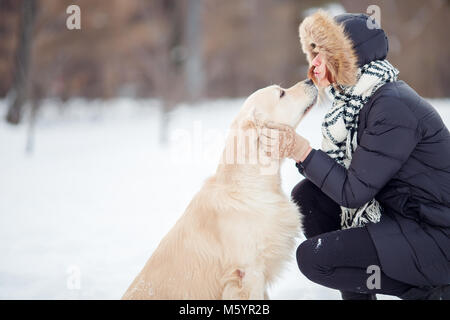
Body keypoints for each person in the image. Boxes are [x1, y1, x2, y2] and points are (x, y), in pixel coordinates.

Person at [259, 11, 450, 300]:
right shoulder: (355, 103)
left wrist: (301, 150)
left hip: (437, 236)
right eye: (313, 54)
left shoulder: (392, 106)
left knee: (315, 258)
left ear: (349, 57)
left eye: (323, 54)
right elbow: (344, 180)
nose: (315, 64)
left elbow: (353, 193)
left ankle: (429, 290)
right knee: (309, 198)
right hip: (403, 216)